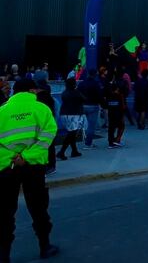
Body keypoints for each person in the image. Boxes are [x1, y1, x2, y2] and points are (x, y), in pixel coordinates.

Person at [0, 79, 60, 261]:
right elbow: (47, 137)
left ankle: (4, 256)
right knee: (38, 208)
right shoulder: (42, 109)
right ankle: (45, 246)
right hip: (33, 168)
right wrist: (26, 157)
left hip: (6, 167)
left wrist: (13, 157)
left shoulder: (2, 111)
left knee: (4, 212)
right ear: (32, 90)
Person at [57, 78, 85, 160]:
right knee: (72, 134)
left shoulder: (64, 93)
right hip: (74, 114)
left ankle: (74, 151)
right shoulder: (76, 92)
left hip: (64, 114)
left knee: (71, 133)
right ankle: (61, 152)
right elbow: (84, 99)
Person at [77, 69, 103, 149]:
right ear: (95, 75)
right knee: (91, 126)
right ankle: (88, 143)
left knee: (82, 124)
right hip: (93, 105)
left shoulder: (81, 83)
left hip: (83, 105)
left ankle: (80, 140)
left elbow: (78, 93)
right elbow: (99, 95)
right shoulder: (96, 84)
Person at [104, 82, 126, 148]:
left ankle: (111, 142)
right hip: (118, 113)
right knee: (121, 126)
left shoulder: (109, 95)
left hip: (111, 113)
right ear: (117, 88)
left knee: (111, 128)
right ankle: (117, 140)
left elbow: (106, 104)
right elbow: (123, 106)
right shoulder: (119, 95)